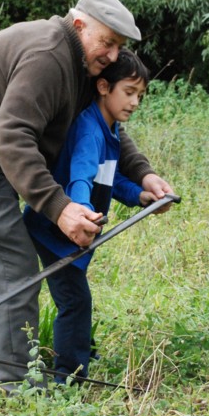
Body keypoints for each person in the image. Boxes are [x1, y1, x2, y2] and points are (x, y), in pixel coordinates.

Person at [0, 0, 173, 391]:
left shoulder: (82, 66)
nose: (111, 56)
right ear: (78, 24)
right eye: (106, 42)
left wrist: (142, 174)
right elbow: (14, 136)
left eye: (118, 47)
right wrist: (60, 207)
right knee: (9, 262)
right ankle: (21, 388)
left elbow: (103, 123)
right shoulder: (50, 56)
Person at [23, 50, 153, 383]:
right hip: (56, 231)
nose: (135, 102)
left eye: (140, 95)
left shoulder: (108, 130)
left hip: (72, 232)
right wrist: (80, 208)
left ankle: (78, 348)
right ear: (104, 86)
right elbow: (81, 175)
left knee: (75, 297)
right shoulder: (89, 130)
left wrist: (139, 195)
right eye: (129, 92)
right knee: (75, 301)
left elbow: (108, 178)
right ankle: (69, 375)